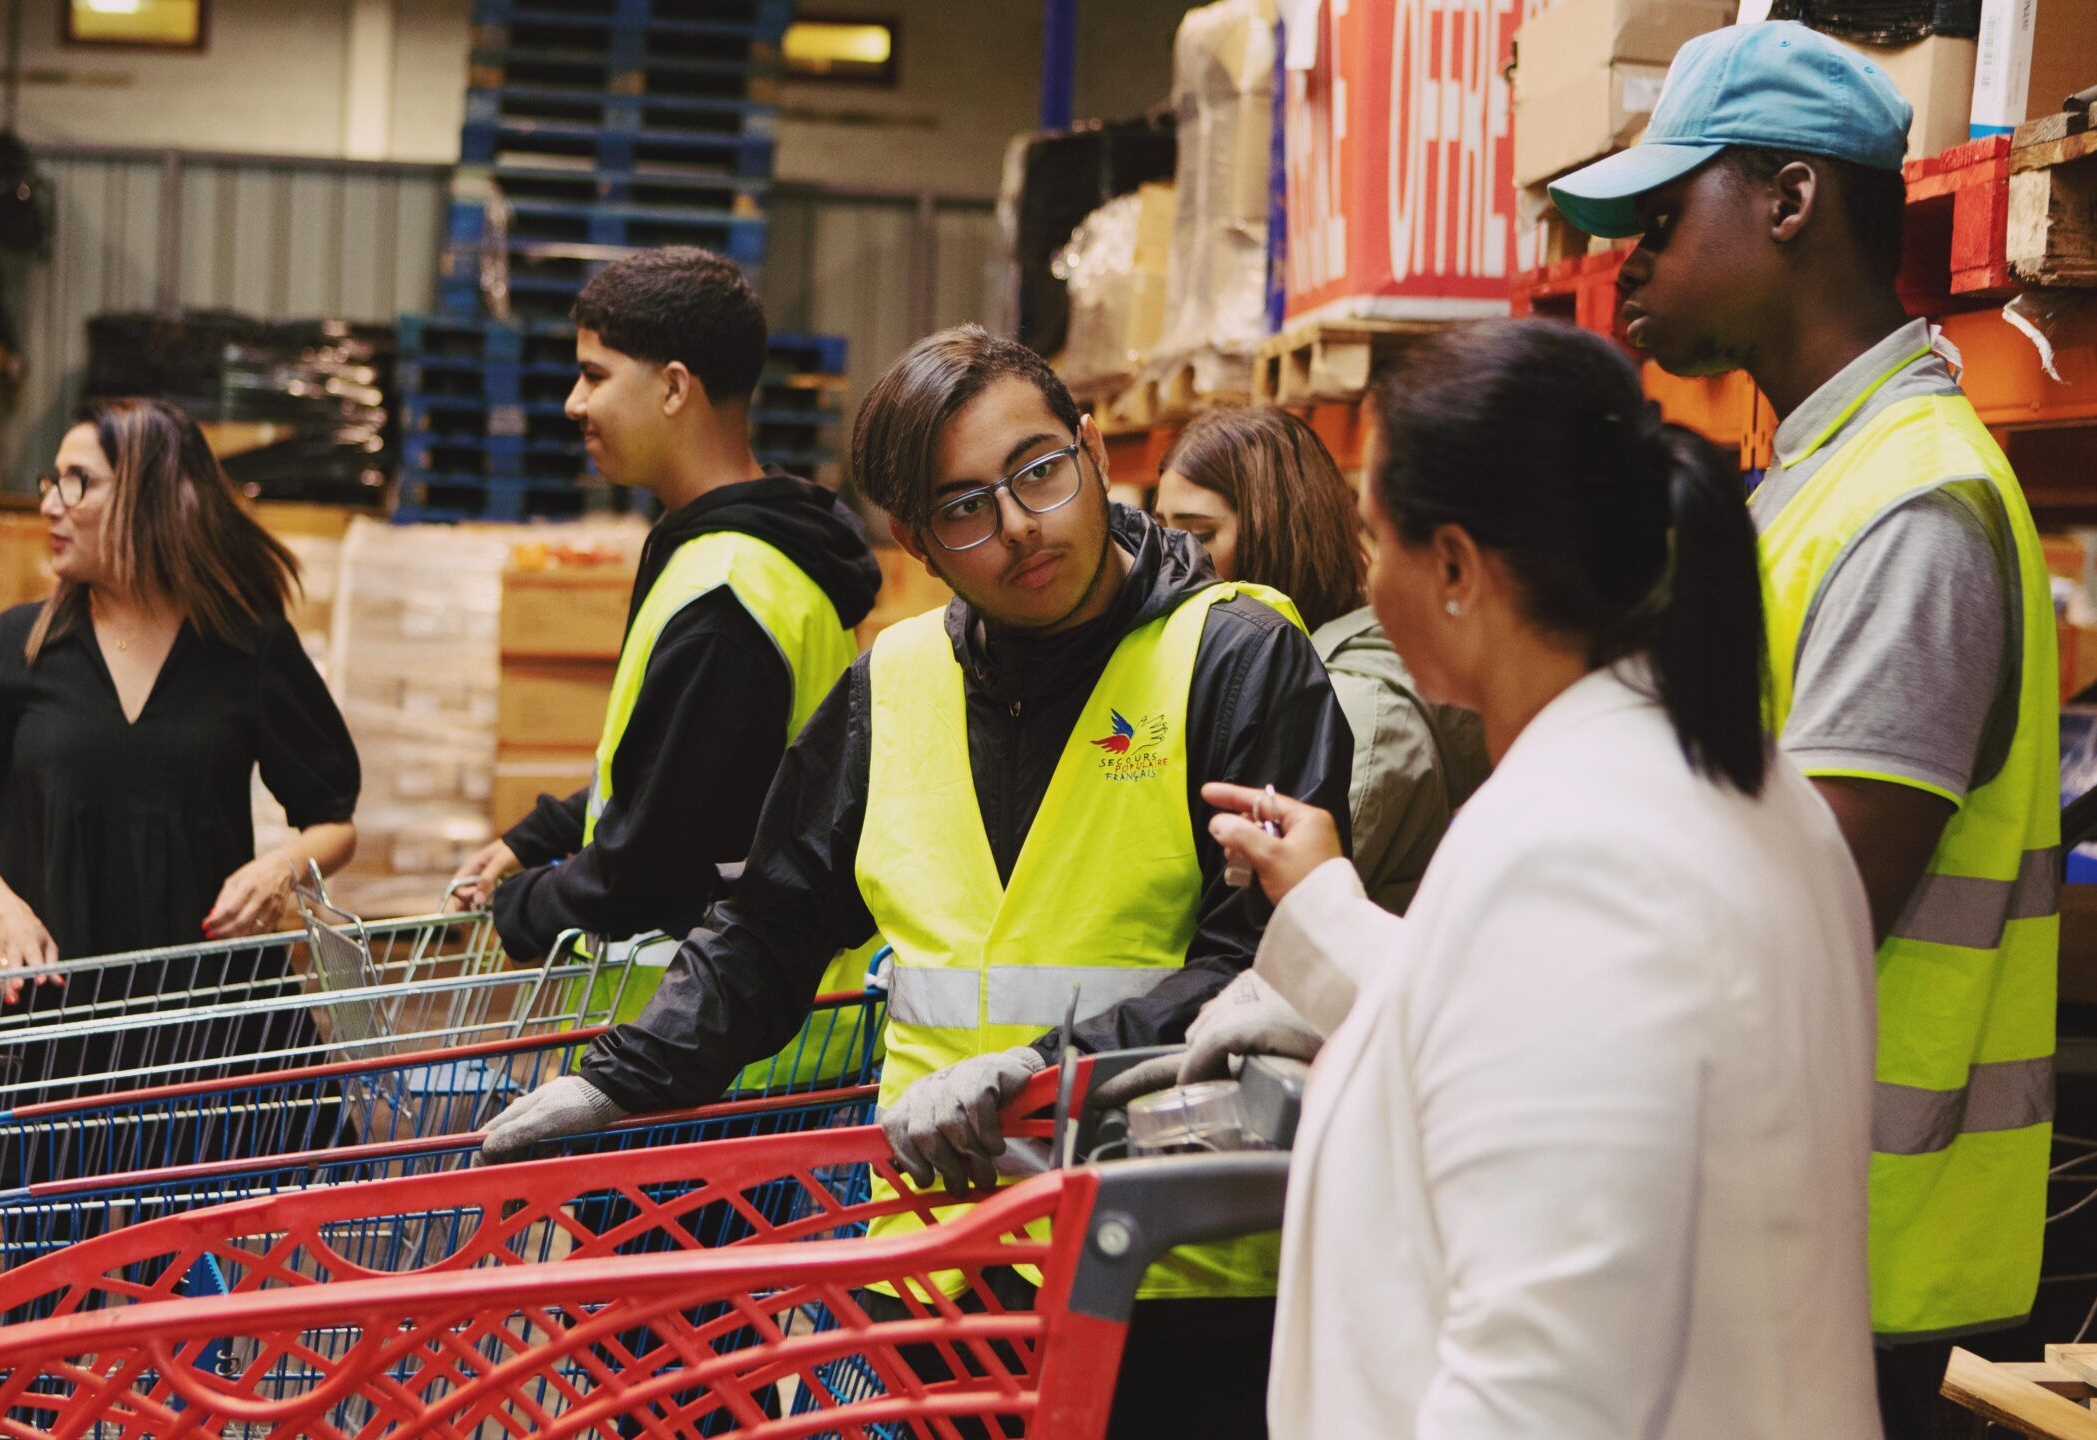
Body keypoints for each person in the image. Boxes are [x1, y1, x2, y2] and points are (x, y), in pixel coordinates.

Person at [481, 324, 1354, 1439]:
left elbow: (1266, 959)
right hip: (943, 1262)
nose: (1021, 525)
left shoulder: (1233, 657)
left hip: (1170, 1272)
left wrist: (1040, 1071)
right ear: (917, 541)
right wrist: (620, 1079)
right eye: (965, 509)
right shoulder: (893, 683)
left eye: (1039, 472)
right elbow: (774, 921)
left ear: (1093, 450)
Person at [1207, 319, 1881, 1439]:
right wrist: (1324, 913)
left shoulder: (1579, 845)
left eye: (1376, 538)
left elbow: (1544, 1384)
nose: (1368, 578)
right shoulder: (1726, 787)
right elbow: (1518, 1039)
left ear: (1456, 567)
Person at [1552, 24, 2060, 1430]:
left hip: (1843, 1278)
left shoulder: (1913, 509)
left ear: (1788, 201)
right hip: (1763, 1246)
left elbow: (1808, 912)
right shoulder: (1807, 484)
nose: (1627, 263)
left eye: (1663, 218)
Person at [443, 248, 883, 1018]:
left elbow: (652, 865)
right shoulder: (739, 559)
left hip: (722, 1047)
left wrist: (518, 909)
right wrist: (540, 834)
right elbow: (681, 774)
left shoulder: (727, 596)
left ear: (675, 387)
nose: (574, 404)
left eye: (596, 375)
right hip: (710, 1032)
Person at [0, 398, 361, 1151]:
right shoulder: (20, 647)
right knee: (52, 1227)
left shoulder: (246, 648)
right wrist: (6, 914)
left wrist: (281, 870)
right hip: (52, 1019)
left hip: (202, 1021)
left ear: (148, 497)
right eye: (51, 480)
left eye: (78, 482)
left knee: (206, 1223)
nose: (50, 504)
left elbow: (334, 821)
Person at [1155, 405, 1486, 914]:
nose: (1171, 562)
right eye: (1161, 532)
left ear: (1275, 535)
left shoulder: (1357, 713)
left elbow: (1260, 921)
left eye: (1199, 536)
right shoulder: (1247, 670)